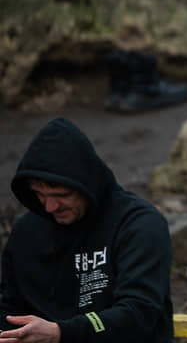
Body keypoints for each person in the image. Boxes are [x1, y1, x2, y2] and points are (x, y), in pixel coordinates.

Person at [0, 117, 174, 343]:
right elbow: (8, 304)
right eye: (39, 195)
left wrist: (60, 333)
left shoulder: (139, 225)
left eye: (61, 195)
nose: (49, 206)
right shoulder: (27, 231)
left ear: (87, 185)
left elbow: (138, 314)